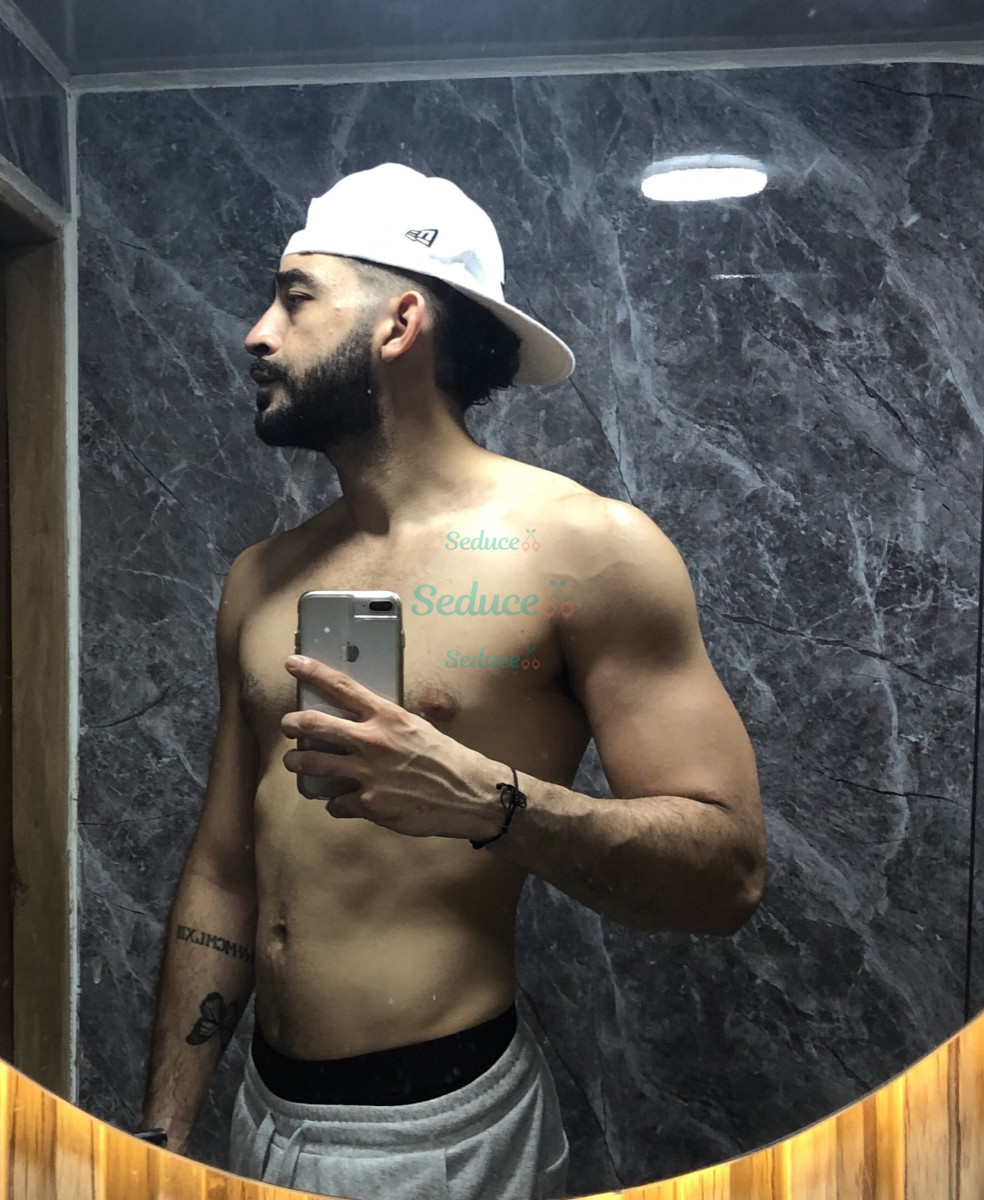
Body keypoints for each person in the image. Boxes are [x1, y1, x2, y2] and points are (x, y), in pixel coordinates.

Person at [137, 163, 766, 1200]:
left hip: (444, 1129)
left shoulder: (586, 548)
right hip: (263, 1115)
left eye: (293, 299)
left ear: (399, 324)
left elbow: (728, 875)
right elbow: (223, 867)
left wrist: (485, 801)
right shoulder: (261, 578)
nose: (256, 333)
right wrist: (162, 1130)